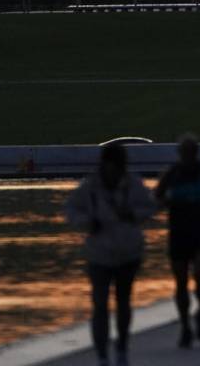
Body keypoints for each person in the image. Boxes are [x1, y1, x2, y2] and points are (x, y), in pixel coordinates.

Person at [65, 142, 156, 366]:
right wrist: (87, 223)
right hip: (99, 254)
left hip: (128, 252)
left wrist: (132, 214)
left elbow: (150, 207)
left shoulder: (133, 184)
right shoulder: (90, 186)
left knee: (123, 302)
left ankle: (122, 348)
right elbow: (71, 210)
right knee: (100, 305)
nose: (114, 170)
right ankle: (103, 356)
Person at [154, 134, 200, 349]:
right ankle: (185, 325)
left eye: (191, 151)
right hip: (179, 232)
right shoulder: (171, 174)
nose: (188, 155)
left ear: (196, 152)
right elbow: (156, 198)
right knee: (181, 282)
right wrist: (165, 202)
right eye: (185, 152)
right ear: (180, 153)